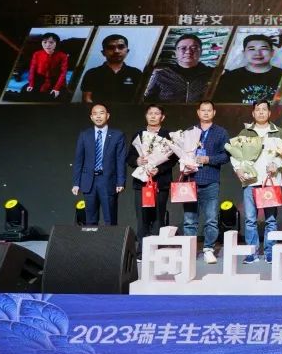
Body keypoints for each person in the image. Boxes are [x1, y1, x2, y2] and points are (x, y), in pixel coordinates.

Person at [232, 99, 282, 264]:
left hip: (270, 181)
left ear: (269, 113)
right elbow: (235, 154)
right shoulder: (245, 132)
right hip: (251, 181)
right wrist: (238, 169)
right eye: (258, 109)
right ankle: (252, 252)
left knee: (271, 220)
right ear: (253, 113)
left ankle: (270, 252)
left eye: (264, 109)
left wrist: (276, 164)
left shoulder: (279, 132)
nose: (261, 112)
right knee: (250, 219)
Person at [180, 101, 230, 264]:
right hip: (190, 180)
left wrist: (208, 159)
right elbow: (179, 153)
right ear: (198, 112)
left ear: (214, 113)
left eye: (209, 110)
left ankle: (208, 249)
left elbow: (226, 156)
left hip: (210, 180)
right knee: (189, 220)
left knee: (211, 220)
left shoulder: (221, 132)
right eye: (203, 110)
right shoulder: (189, 132)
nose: (206, 113)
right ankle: (189, 251)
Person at [125, 104, 178, 256]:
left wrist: (158, 169)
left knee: (158, 216)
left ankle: (155, 250)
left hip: (160, 182)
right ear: (146, 116)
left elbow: (173, 159)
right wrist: (137, 161)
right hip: (141, 183)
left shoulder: (168, 136)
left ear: (163, 117)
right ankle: (142, 250)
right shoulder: (139, 134)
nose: (153, 116)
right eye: (150, 113)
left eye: (156, 113)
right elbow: (130, 157)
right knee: (142, 216)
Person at [71, 103, 126, 225]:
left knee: (110, 219)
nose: (98, 116)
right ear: (91, 117)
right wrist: (76, 183)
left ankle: (111, 238)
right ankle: (91, 238)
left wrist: (120, 181)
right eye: (95, 114)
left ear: (108, 115)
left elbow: (120, 160)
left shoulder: (117, 135)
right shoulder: (84, 135)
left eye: (101, 113)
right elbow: (79, 160)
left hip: (108, 180)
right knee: (90, 219)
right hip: (88, 181)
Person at [214, 34, 282, 105]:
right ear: (244, 53)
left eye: (263, 49)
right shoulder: (229, 78)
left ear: (272, 52)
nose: (257, 53)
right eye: (251, 49)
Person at [143, 34, 215, 104]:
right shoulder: (161, 75)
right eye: (183, 48)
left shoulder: (213, 74)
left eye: (194, 48)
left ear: (201, 52)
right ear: (176, 53)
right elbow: (148, 101)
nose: (188, 52)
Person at [81, 33, 144, 104]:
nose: (116, 51)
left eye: (121, 47)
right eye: (111, 47)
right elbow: (87, 99)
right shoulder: (91, 73)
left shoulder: (136, 73)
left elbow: (140, 99)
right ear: (103, 52)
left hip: (128, 111)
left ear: (127, 51)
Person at [26, 32, 69, 99]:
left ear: (56, 43)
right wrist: (31, 84)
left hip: (55, 79)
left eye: (51, 42)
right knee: (27, 93)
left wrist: (56, 88)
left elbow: (63, 73)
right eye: (45, 42)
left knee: (59, 96)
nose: (47, 45)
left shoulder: (63, 56)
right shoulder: (37, 54)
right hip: (40, 78)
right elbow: (32, 69)